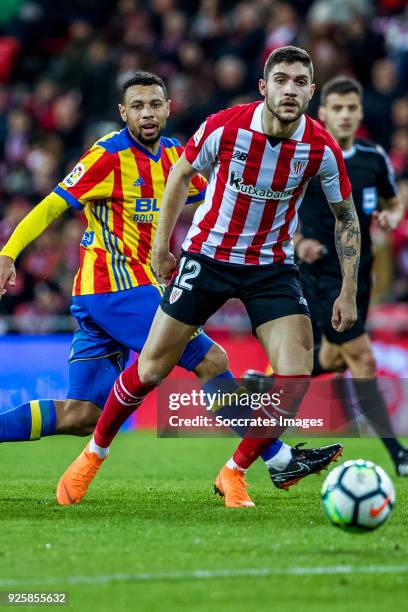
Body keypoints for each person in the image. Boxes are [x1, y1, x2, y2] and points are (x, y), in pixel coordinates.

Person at [0, 70, 339, 489]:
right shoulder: (107, 156)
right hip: (113, 286)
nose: (147, 113)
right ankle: (278, 457)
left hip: (112, 294)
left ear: (168, 109)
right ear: (123, 112)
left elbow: (228, 196)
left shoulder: (176, 157)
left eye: (155, 105)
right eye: (138, 106)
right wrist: (8, 253)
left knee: (80, 415)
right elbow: (50, 206)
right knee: (211, 360)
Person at [249, 75, 408, 477]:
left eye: (352, 107)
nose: (346, 115)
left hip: (358, 276)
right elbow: (277, 204)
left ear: (359, 112)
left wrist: (393, 214)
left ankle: (263, 388)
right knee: (361, 357)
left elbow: (393, 199)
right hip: (315, 275)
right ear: (323, 113)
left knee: (333, 357)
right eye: (337, 108)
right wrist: (299, 240)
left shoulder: (373, 157)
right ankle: (399, 456)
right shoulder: (308, 154)